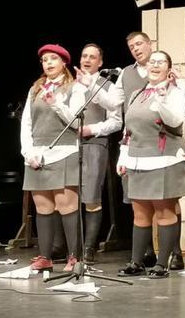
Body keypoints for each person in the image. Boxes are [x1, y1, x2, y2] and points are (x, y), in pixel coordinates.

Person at [115, 51, 185, 278]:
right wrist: (123, 156)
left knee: (164, 212)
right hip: (137, 159)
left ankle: (162, 263)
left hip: (164, 159)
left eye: (160, 62)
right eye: (152, 62)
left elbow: (175, 120)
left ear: (169, 68)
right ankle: (136, 262)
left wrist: (162, 97)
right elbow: (129, 130)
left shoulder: (175, 92)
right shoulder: (136, 94)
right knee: (140, 213)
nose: (155, 65)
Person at [21, 44, 83, 271]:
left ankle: (74, 257)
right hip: (39, 154)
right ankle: (45, 257)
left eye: (53, 59)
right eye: (45, 60)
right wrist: (27, 152)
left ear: (64, 62)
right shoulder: (35, 88)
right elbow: (26, 123)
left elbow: (76, 122)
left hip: (64, 151)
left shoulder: (74, 88)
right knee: (43, 206)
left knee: (66, 205)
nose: (48, 63)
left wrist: (55, 103)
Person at [70, 43, 122, 264]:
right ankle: (70, 247)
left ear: (100, 62)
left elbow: (116, 121)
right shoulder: (68, 84)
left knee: (91, 197)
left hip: (94, 143)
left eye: (92, 57)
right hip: (68, 145)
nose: (87, 60)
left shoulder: (107, 86)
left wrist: (93, 129)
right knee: (67, 197)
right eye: (84, 55)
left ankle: (89, 247)